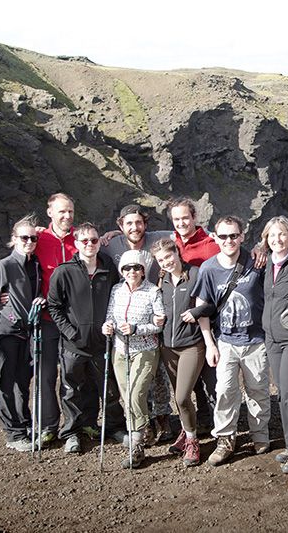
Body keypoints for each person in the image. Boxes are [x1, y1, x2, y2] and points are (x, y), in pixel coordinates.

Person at [194, 216, 270, 466]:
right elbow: (202, 308)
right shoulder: (208, 269)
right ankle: (225, 440)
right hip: (225, 340)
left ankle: (260, 435)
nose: (229, 241)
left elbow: (282, 253)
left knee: (257, 390)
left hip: (256, 339)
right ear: (215, 237)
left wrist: (263, 247)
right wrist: (210, 344)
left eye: (234, 235)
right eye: (223, 236)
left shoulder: (255, 261)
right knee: (225, 391)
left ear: (242, 236)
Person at [46, 223, 126, 454]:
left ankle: (114, 427)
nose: (90, 244)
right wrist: (71, 333)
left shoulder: (109, 268)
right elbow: (55, 306)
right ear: (76, 243)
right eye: (84, 241)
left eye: (94, 240)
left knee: (109, 388)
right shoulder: (63, 271)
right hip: (73, 344)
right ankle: (72, 432)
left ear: (99, 241)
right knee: (72, 389)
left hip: (103, 342)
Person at [104, 204, 174, 443]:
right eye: (129, 223)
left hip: (156, 308)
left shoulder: (159, 237)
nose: (135, 227)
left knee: (159, 373)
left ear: (145, 223)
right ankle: (144, 423)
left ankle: (162, 417)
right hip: (127, 321)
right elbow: (84, 242)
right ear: (120, 225)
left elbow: (188, 233)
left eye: (139, 222)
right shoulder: (112, 244)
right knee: (133, 382)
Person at [0, 215, 44, 452]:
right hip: (5, 334)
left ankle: (24, 426)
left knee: (22, 383)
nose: (29, 241)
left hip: (26, 335)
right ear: (14, 239)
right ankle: (14, 434)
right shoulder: (3, 266)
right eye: (24, 237)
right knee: (4, 384)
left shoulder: (35, 265)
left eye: (33, 238)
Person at [102, 250, 165, 469]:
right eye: (127, 268)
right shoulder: (116, 290)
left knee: (136, 394)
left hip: (145, 350)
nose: (132, 272)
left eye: (137, 268)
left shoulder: (153, 291)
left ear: (143, 270)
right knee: (127, 395)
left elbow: (159, 324)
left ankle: (136, 445)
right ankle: (141, 431)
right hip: (120, 350)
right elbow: (110, 315)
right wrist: (107, 326)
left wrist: (136, 329)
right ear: (122, 271)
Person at [168, 197, 220, 435]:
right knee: (193, 377)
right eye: (176, 219)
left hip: (208, 317)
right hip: (182, 324)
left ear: (194, 218)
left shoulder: (210, 245)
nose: (181, 223)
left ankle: (218, 424)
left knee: (211, 377)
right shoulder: (172, 245)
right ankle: (200, 420)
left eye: (185, 218)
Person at [151, 238, 204, 466]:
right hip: (167, 346)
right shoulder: (161, 279)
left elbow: (208, 303)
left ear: (177, 252)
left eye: (169, 256)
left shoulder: (195, 274)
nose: (166, 262)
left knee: (182, 396)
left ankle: (193, 442)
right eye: (161, 260)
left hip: (192, 344)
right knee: (178, 396)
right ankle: (186, 431)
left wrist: (197, 310)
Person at [260, 216, 288, 474]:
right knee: (283, 394)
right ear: (266, 238)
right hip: (271, 338)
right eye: (272, 235)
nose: (277, 239)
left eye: (282, 234)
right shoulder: (265, 262)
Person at [31, 193, 76, 445]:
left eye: (70, 211)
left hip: (72, 320)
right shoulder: (38, 239)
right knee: (45, 375)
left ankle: (72, 427)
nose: (67, 216)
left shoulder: (81, 239)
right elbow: (18, 265)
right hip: (47, 319)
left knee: (71, 375)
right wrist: (6, 293)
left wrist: (109, 235)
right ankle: (48, 426)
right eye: (61, 211)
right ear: (50, 213)